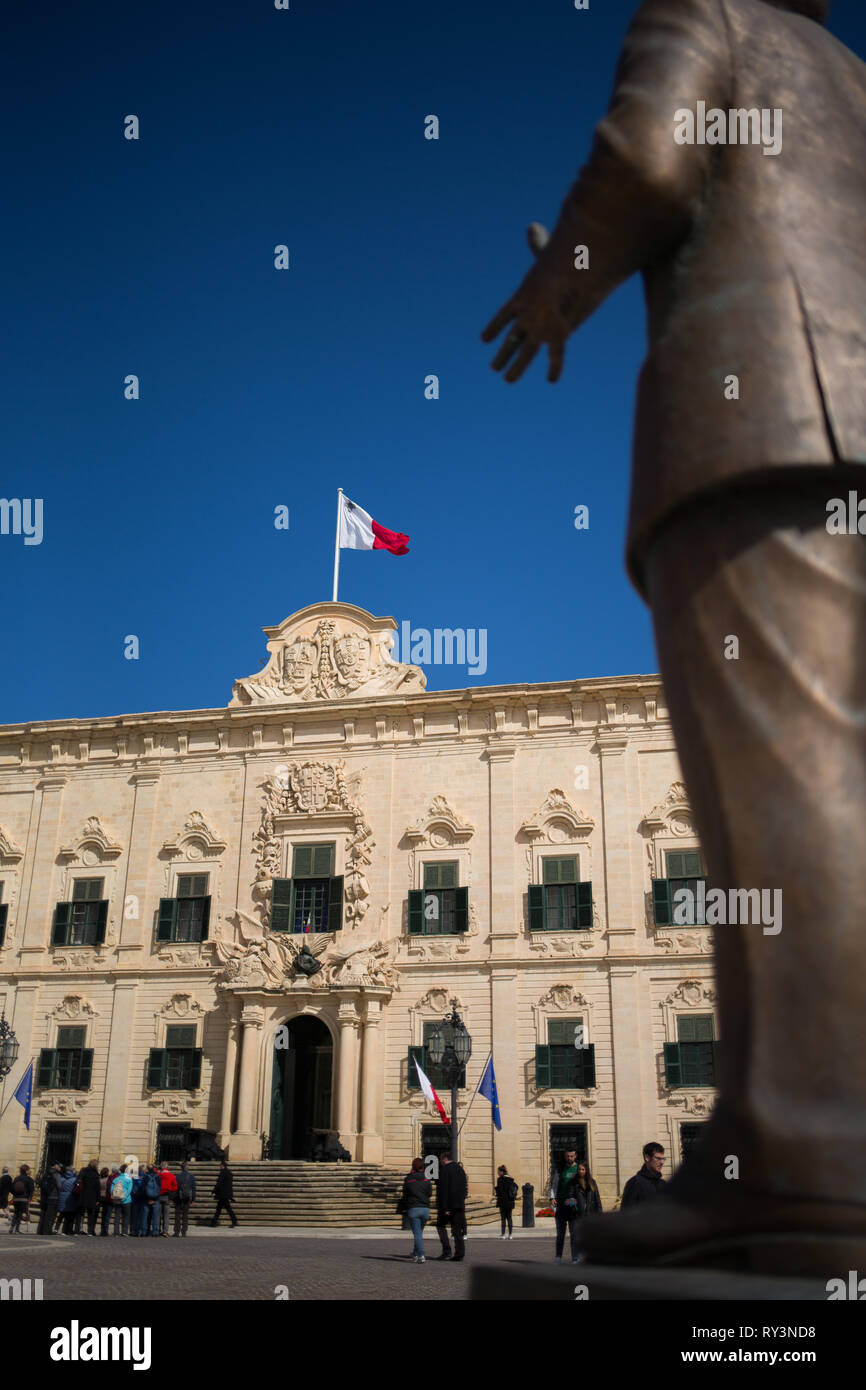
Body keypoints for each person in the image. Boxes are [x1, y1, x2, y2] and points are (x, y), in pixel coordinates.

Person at [482, 0, 866, 1277]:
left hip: (758, 425)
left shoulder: (702, 13)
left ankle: (804, 1153)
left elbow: (649, 158)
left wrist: (556, 288)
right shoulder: (844, 71)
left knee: (780, 798)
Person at [550, 1148, 582, 1264]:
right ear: (565, 1156)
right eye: (568, 1156)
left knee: (574, 1234)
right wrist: (552, 1197)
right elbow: (554, 1184)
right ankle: (558, 1257)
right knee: (560, 1234)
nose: (570, 1158)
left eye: (572, 1156)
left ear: (576, 1156)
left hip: (574, 1207)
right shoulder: (560, 1169)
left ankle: (575, 1258)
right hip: (561, 1206)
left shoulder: (580, 1169)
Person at [435, 1153, 468, 1262]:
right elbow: (464, 1189)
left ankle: (446, 1251)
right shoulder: (461, 1170)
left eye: (440, 1160)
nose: (440, 1162)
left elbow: (444, 1191)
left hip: (448, 1206)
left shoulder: (445, 1170)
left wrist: (445, 1208)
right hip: (459, 1205)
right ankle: (460, 1253)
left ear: (444, 1159)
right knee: (457, 1230)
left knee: (440, 1226)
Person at [400, 1157, 432, 1263]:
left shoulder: (409, 1179)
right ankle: (415, 1253)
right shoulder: (426, 1179)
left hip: (414, 1208)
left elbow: (405, 1193)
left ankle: (421, 1255)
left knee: (417, 1234)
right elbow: (429, 1193)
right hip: (425, 1209)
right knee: (418, 1233)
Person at [620, 1143, 667, 1208]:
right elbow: (626, 1214)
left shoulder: (664, 1184)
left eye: (663, 1159)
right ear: (647, 1158)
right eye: (658, 1158)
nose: (662, 1162)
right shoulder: (634, 1183)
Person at [77, 1158, 101, 1236]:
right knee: (91, 1215)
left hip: (83, 1195)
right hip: (92, 1197)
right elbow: (98, 1188)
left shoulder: (83, 1171)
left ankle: (78, 1230)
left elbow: (78, 1181)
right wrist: (98, 1198)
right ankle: (90, 1231)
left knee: (80, 1214)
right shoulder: (96, 1174)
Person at [210, 1160, 238, 1228]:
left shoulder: (223, 1173)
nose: (220, 1167)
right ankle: (214, 1222)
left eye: (220, 1166)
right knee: (222, 1209)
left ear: (223, 1166)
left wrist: (213, 1191)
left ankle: (234, 1221)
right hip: (226, 1194)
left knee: (222, 1209)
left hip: (223, 1194)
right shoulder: (229, 1173)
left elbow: (219, 1183)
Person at [37, 1164, 63, 1235]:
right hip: (53, 1197)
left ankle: (40, 1230)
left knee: (44, 1214)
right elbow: (59, 1186)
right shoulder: (56, 1174)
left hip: (45, 1196)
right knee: (50, 1215)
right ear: (56, 1167)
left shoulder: (46, 1173)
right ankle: (47, 1231)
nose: (60, 1169)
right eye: (60, 1167)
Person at [9, 1165, 34, 1234]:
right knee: (20, 1214)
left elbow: (12, 1188)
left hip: (16, 1199)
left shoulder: (16, 1178)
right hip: (24, 1199)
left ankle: (11, 1227)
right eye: (29, 1169)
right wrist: (29, 1198)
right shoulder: (29, 1179)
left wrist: (15, 1194)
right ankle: (17, 1229)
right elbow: (31, 1190)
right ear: (26, 1171)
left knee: (16, 1213)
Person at [495, 1164, 518, 1239]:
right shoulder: (511, 1179)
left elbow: (500, 1191)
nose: (498, 1173)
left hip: (503, 1201)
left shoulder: (500, 1180)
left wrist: (496, 1189)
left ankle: (503, 1234)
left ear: (502, 1172)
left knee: (503, 1218)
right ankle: (510, 1234)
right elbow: (516, 1187)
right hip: (510, 1201)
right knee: (509, 1218)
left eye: (498, 1171)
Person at [173, 1160, 196, 1237]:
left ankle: (177, 1231)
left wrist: (173, 1199)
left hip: (179, 1197)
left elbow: (175, 1189)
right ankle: (184, 1232)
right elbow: (193, 1188)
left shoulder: (177, 1176)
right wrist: (193, 1199)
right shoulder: (191, 1177)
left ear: (181, 1168)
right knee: (185, 1215)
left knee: (177, 1215)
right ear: (187, 1168)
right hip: (187, 1197)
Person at [110, 1162, 133, 1236]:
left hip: (117, 1200)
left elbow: (111, 1190)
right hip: (126, 1201)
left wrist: (115, 1197)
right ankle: (124, 1232)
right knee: (126, 1217)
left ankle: (116, 1232)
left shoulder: (115, 1179)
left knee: (117, 1216)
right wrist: (124, 1198)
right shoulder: (129, 1179)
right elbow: (129, 1190)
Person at [58, 1166, 79, 1236]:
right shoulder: (74, 1180)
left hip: (62, 1198)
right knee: (71, 1216)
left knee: (65, 1215)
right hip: (71, 1198)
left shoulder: (62, 1179)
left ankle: (63, 1230)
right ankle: (69, 1230)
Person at [157, 1162, 178, 1235]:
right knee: (166, 1215)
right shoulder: (171, 1175)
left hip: (159, 1196)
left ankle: (157, 1229)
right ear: (167, 1167)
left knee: (158, 1214)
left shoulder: (159, 1175)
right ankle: (165, 1231)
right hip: (167, 1196)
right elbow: (175, 1187)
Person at [143, 1165, 162, 1236]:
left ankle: (144, 1231)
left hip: (146, 1199)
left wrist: (148, 1198)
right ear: (154, 1169)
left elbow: (143, 1188)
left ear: (147, 1169)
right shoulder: (158, 1177)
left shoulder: (145, 1177)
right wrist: (155, 1198)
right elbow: (160, 1188)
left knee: (145, 1216)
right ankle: (155, 1232)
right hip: (156, 1199)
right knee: (156, 1216)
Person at [129, 1166, 147, 1236]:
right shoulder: (146, 1177)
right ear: (144, 1170)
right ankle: (141, 1231)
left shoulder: (134, 1177)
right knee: (142, 1216)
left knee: (134, 1216)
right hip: (143, 1199)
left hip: (134, 1198)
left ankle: (133, 1230)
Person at [97, 1166, 112, 1236]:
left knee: (103, 1215)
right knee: (107, 1215)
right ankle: (105, 1231)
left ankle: (102, 1230)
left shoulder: (99, 1179)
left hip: (100, 1197)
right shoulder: (108, 1179)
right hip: (107, 1198)